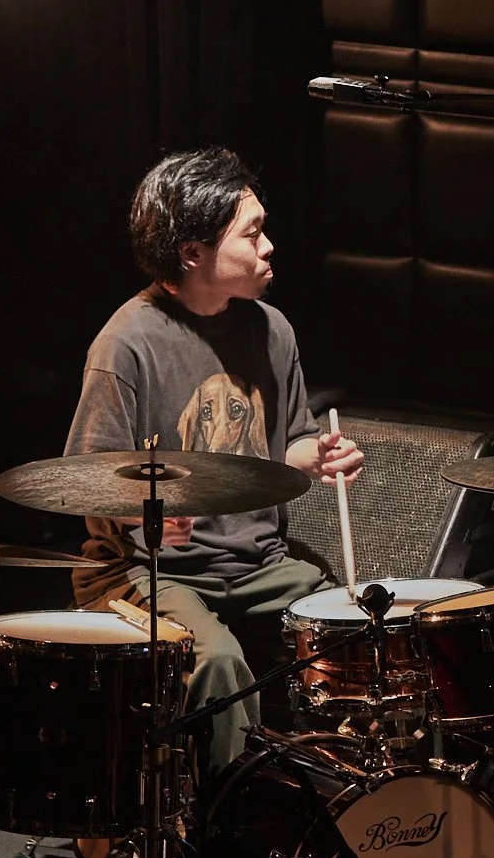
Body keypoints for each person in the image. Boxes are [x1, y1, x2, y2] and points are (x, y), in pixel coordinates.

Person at [64, 147, 364, 778]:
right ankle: (233, 839)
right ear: (193, 253)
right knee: (220, 662)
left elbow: (282, 451)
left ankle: (336, 810)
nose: (269, 246)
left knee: (347, 628)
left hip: (257, 563)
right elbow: (82, 483)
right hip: (146, 572)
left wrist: (321, 456)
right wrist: (141, 516)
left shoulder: (272, 329)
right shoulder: (128, 343)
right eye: (251, 234)